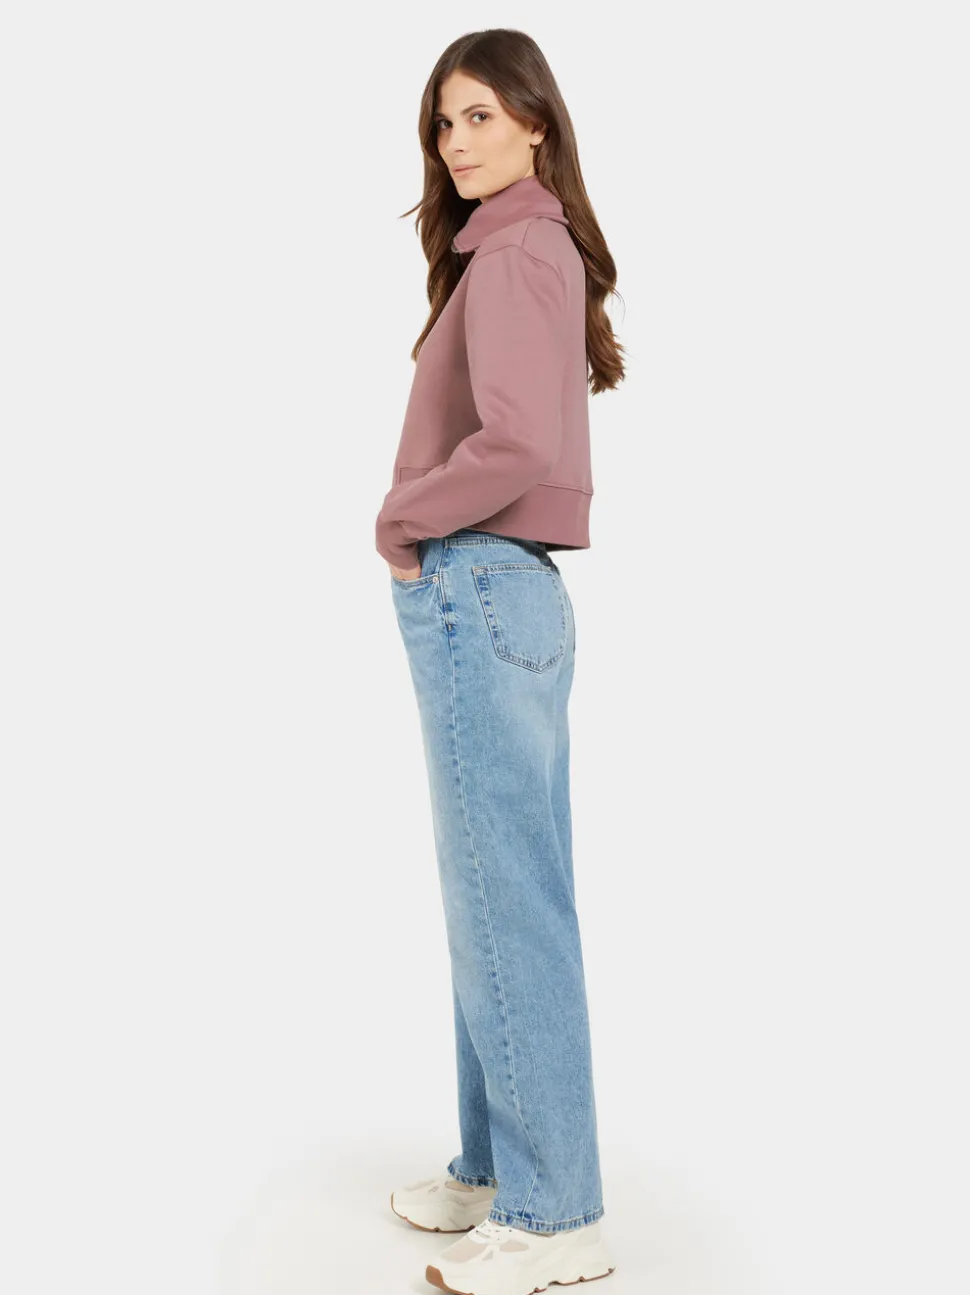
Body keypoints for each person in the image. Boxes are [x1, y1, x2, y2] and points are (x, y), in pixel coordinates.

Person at [375, 29, 625, 1295]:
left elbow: (517, 443)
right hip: (492, 585)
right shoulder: (510, 247)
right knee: (493, 890)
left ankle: (555, 1212)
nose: (457, 140)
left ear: (536, 122)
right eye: (443, 121)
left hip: (478, 578)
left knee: (503, 894)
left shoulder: (522, 248)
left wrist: (401, 516)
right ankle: (492, 1167)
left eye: (480, 115)